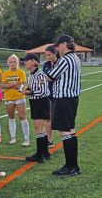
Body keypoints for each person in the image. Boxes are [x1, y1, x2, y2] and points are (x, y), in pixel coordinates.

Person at [46, 35, 81, 176]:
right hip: (72, 97)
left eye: (59, 45)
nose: (57, 48)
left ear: (65, 44)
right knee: (70, 131)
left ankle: (70, 166)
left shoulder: (65, 59)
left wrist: (38, 74)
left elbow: (51, 76)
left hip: (63, 98)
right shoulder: (76, 58)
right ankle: (74, 166)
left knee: (65, 132)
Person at [21, 53, 51, 163]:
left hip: (41, 102)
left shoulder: (40, 74)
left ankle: (39, 155)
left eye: (26, 60)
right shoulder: (30, 74)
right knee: (40, 128)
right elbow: (31, 88)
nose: (24, 62)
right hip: (35, 101)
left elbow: (43, 92)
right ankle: (45, 153)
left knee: (38, 128)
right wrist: (25, 90)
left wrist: (29, 92)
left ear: (34, 61)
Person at [1, 54, 30, 146]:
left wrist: (9, 85)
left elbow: (22, 85)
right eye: (11, 62)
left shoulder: (21, 72)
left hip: (19, 97)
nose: (13, 63)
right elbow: (2, 85)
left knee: (23, 116)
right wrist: (14, 84)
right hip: (9, 98)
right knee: (11, 117)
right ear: (8, 63)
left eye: (14, 62)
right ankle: (13, 138)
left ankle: (26, 139)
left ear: (17, 62)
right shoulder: (5, 73)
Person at [42, 46, 60, 148]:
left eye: (49, 55)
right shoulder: (46, 64)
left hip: (60, 95)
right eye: (46, 55)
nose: (47, 57)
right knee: (48, 118)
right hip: (48, 95)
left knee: (61, 118)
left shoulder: (61, 63)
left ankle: (68, 137)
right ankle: (49, 140)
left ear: (55, 53)